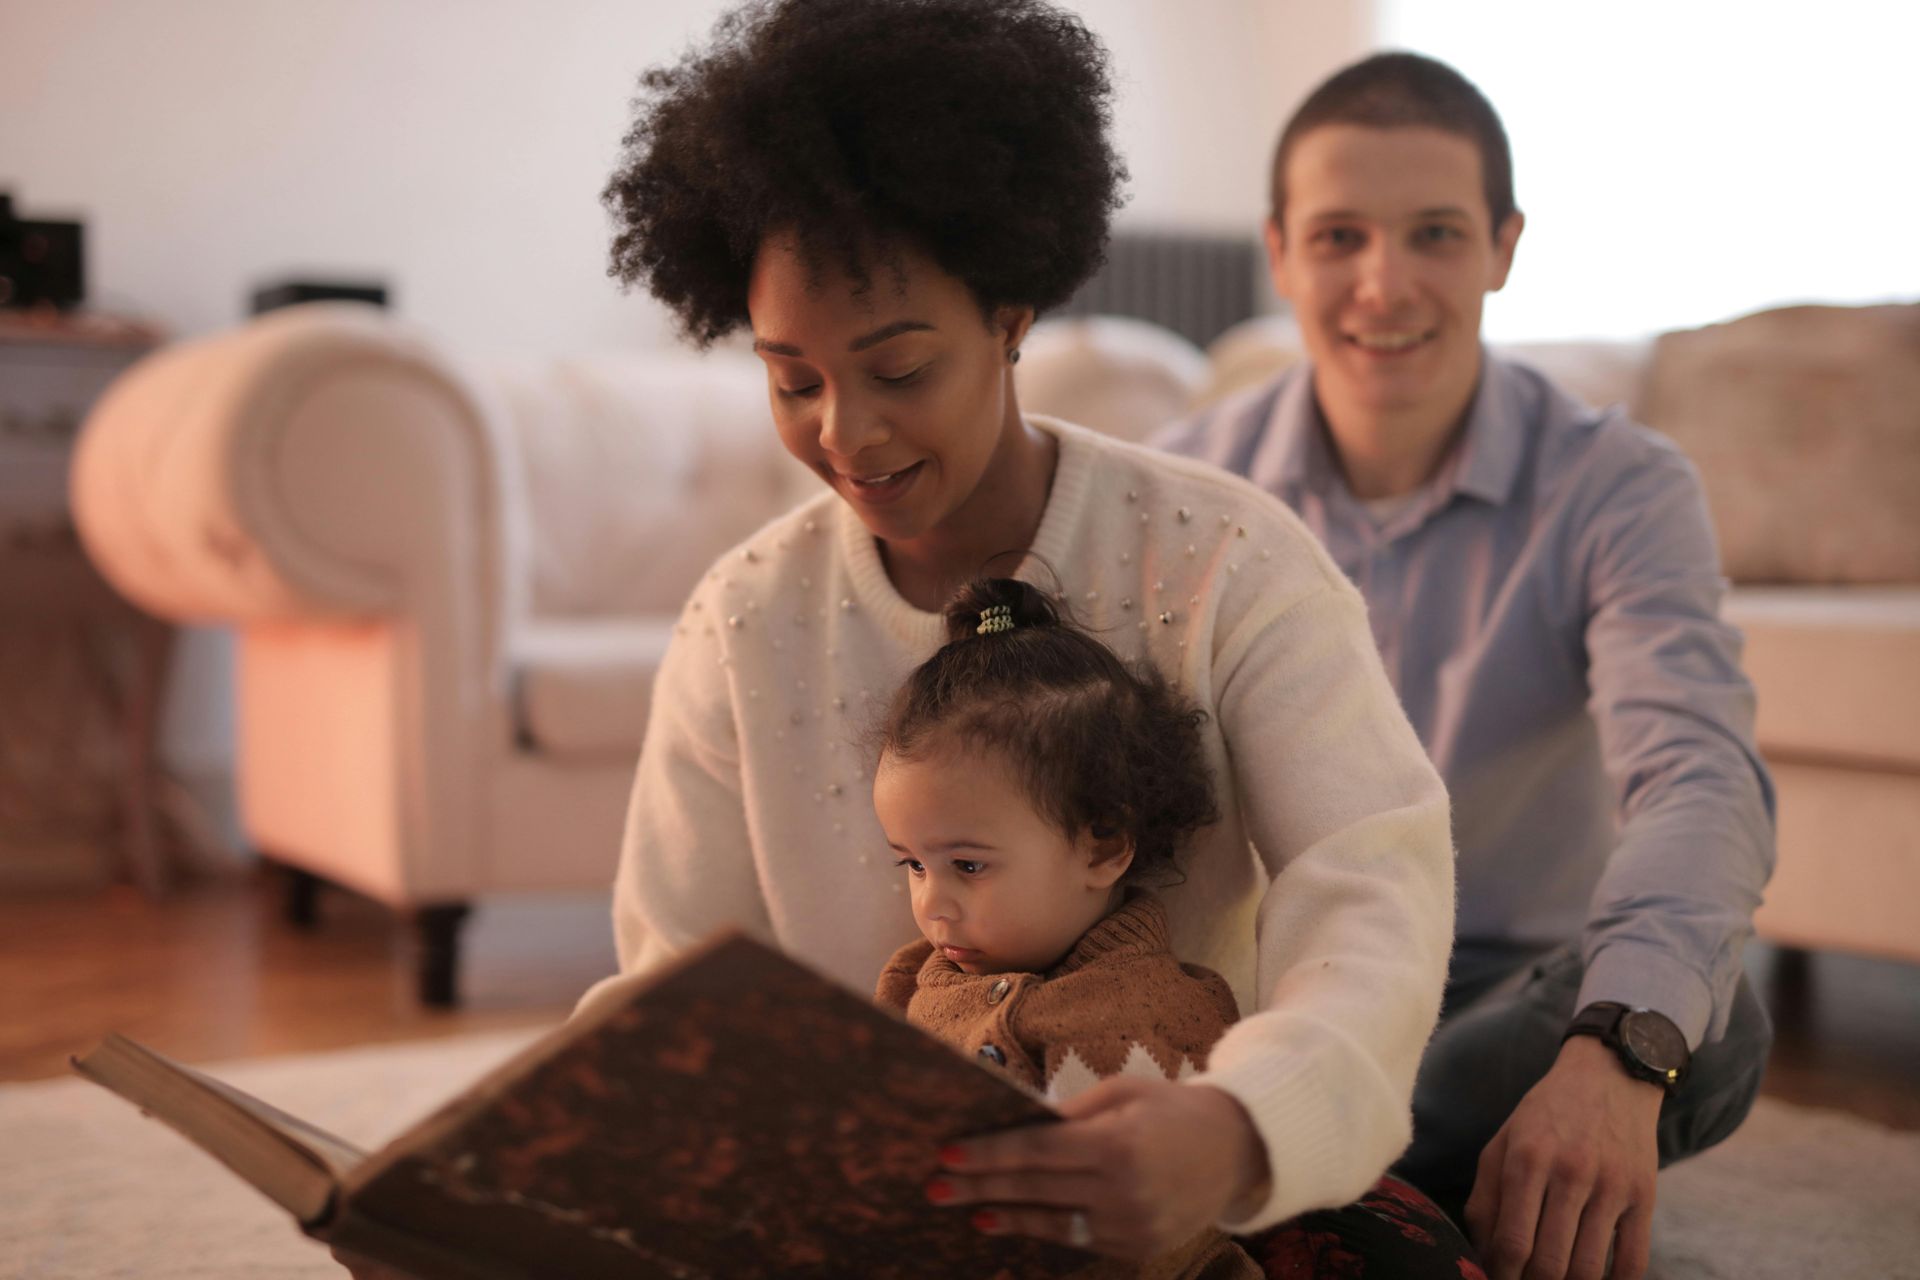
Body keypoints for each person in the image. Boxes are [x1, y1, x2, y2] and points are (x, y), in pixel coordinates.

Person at [339, 5, 1463, 1276]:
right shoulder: (743, 620)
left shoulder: (1229, 561)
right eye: (792, 378)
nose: (846, 434)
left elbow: (1373, 893)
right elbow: (671, 996)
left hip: (1179, 1195)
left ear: (1011, 312)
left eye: (899, 367)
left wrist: (1236, 1128)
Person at [1156, 51, 1776, 1280]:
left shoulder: (1621, 484)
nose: (1384, 284)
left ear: (1502, 246)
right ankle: (1332, 1182)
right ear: (1280, 255)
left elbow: (1699, 778)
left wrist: (1612, 1058)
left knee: (1711, 1023)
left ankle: (1248, 1180)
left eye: (1434, 232)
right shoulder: (1184, 488)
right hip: (1274, 987)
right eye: (1341, 236)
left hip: (1505, 997)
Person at [871, 574, 1259, 1278]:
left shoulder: (1164, 1012)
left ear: (1104, 847)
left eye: (968, 865)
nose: (934, 904)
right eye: (913, 865)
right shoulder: (911, 983)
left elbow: (1167, 1223)